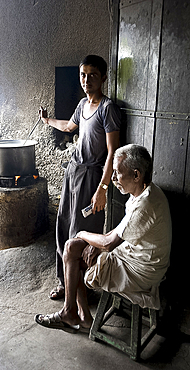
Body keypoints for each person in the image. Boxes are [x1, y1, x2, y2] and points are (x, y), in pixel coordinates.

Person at [34, 144, 172, 332]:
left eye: (117, 172)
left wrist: (83, 234)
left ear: (136, 175)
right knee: (73, 249)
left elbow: (109, 243)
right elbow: (120, 234)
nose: (113, 178)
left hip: (142, 269)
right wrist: (97, 246)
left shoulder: (145, 204)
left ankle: (73, 313)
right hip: (133, 255)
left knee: (72, 250)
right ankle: (79, 315)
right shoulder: (144, 192)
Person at [39, 55, 121, 299]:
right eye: (83, 75)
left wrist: (102, 188)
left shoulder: (108, 109)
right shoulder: (82, 105)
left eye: (93, 75)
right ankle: (64, 283)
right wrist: (47, 120)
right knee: (63, 224)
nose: (86, 80)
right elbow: (68, 127)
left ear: (103, 78)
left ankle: (81, 288)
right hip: (73, 172)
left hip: (92, 176)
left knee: (82, 230)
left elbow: (112, 152)